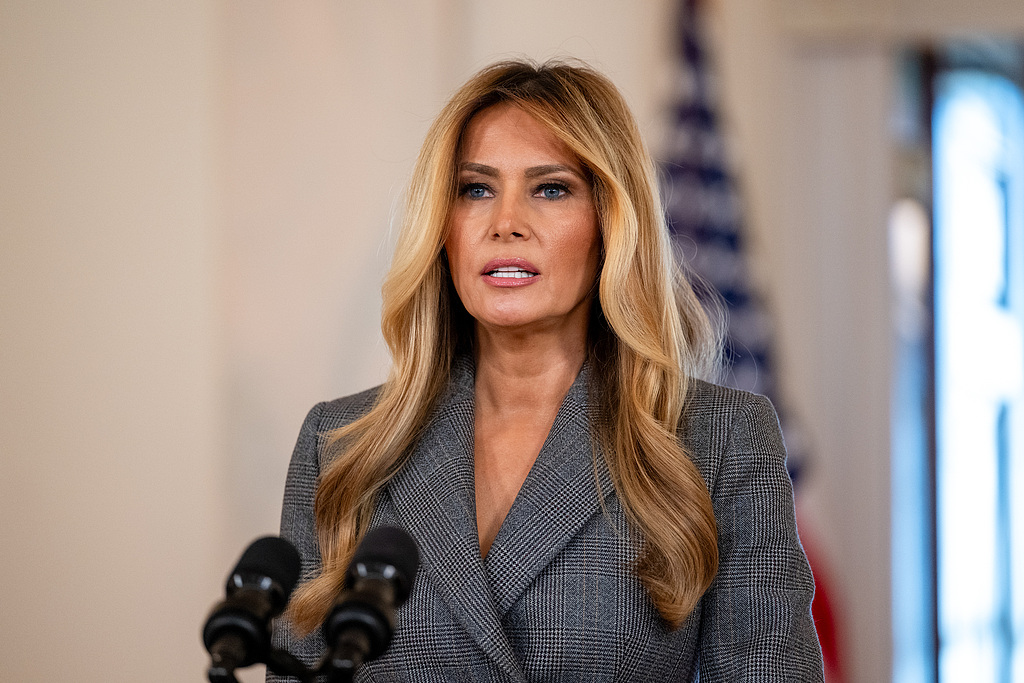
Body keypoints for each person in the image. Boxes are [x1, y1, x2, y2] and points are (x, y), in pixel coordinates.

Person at [269, 59, 823, 681]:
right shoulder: (338, 446)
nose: (505, 223)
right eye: (476, 190)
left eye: (550, 189)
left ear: (610, 224)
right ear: (444, 229)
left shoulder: (720, 439)